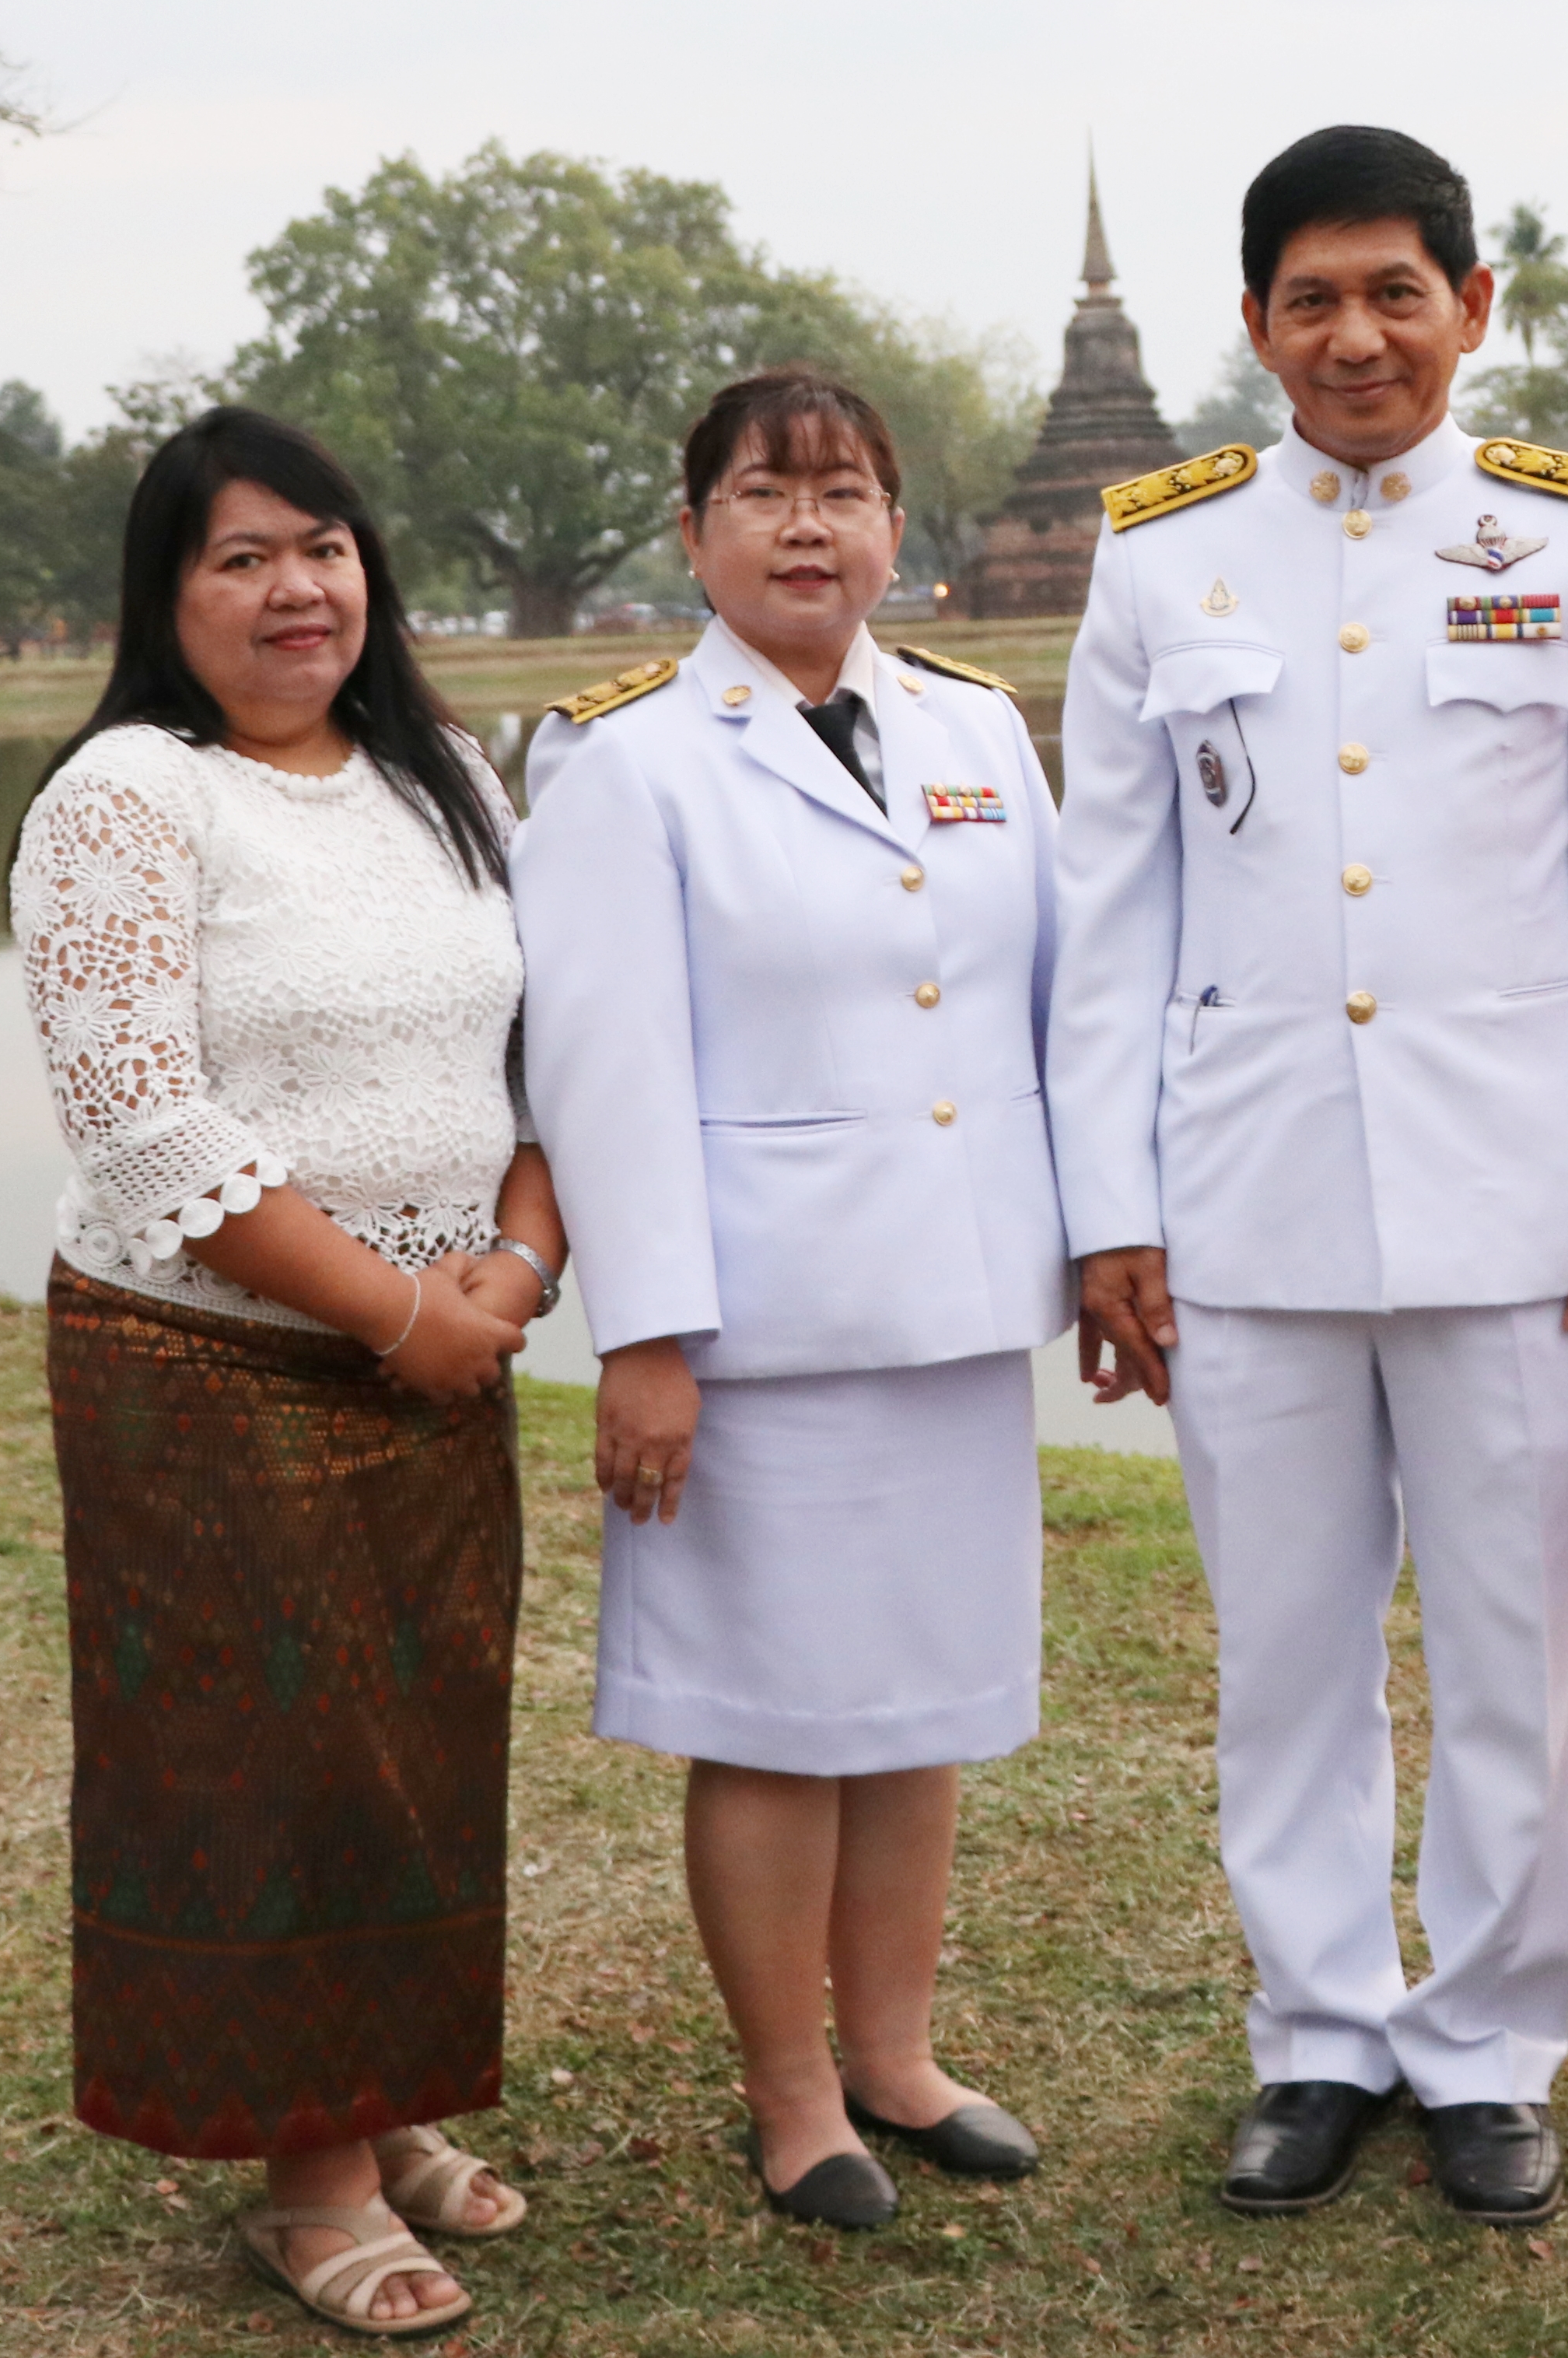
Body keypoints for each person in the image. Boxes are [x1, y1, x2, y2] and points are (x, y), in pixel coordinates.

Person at [1050, 124, 1568, 2229]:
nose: (1356, 337)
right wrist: (1108, 1208)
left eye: (1396, 293)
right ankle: (1320, 2031)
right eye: (1314, 299)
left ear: (1471, 308)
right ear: (1256, 323)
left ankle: (1493, 2045)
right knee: (1286, 1657)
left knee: (1515, 1654)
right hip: (1240, 1200)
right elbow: (1109, 910)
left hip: (1518, 1203)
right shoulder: (1162, 554)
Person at [10, 406, 558, 2342]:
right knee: (274, 1762)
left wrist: (514, 1264)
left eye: (321, 546)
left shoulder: (448, 775)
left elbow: (552, 1054)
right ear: (168, 596)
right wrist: (399, 1313)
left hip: (446, 1355)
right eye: (239, 557)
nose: (293, 589)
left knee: (419, 1743)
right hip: (212, 1364)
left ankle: (386, 2094)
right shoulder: (126, 798)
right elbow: (142, 1118)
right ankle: (308, 2175)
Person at [517, 370, 1069, 2238]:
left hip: (956, 1296)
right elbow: (603, 1069)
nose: (807, 525)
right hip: (756, 1325)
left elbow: (1050, 1007)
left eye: (844, 491)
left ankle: (897, 2053)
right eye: (762, 492)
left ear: (898, 528)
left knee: (917, 1700)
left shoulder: (976, 726)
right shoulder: (624, 757)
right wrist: (646, 1335)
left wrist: (1101, 1248)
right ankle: (790, 2091)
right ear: (694, 534)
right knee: (770, 1713)